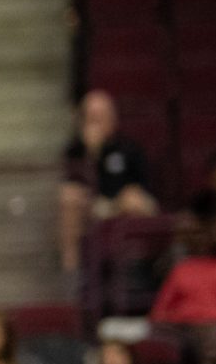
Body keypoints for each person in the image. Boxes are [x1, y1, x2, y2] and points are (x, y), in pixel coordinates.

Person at [57, 88, 158, 271]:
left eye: (100, 117)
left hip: (124, 203)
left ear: (113, 118)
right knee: (68, 198)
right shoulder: (75, 151)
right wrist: (91, 155)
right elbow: (73, 185)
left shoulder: (129, 148)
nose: (95, 123)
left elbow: (144, 188)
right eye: (90, 118)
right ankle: (71, 273)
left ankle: (137, 267)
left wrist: (126, 197)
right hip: (95, 206)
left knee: (133, 200)